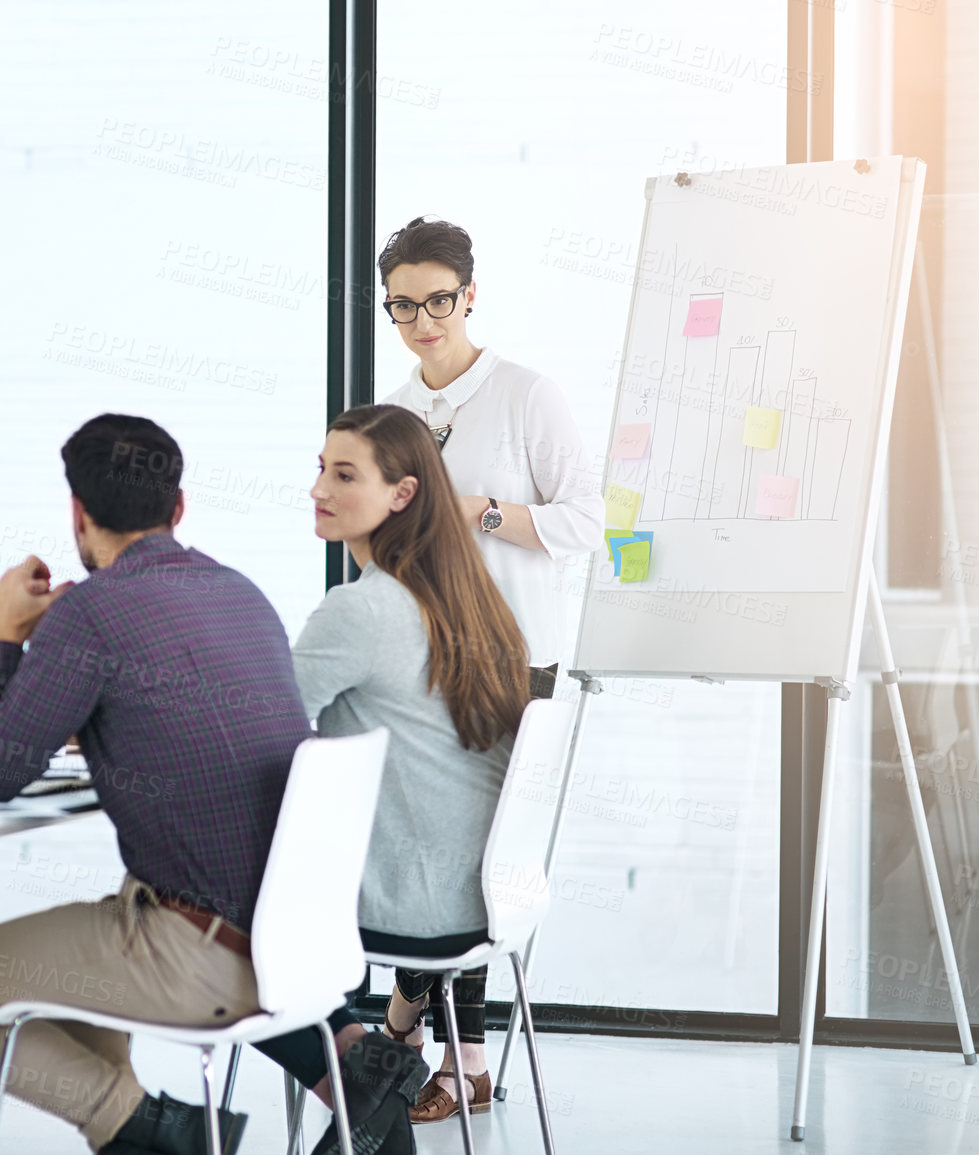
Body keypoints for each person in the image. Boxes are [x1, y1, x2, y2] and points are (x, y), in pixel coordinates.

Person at [0, 414, 312, 1155]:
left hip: (197, 955)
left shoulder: (91, 612)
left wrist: (5, 636)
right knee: (97, 930)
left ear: (77, 514)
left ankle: (151, 1129)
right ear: (178, 508)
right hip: (295, 944)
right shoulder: (242, 594)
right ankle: (138, 1127)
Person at [253, 405, 534, 1153]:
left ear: (402, 494)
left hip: (410, 902)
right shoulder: (471, 599)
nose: (318, 487)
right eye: (319, 466)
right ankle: (369, 1097)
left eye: (344, 474)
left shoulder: (363, 609)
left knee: (205, 927)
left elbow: (259, 733)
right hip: (480, 896)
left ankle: (363, 1073)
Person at [374, 218, 602, 1123]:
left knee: (476, 867)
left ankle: (425, 1050)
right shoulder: (393, 411)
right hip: (423, 662)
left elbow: (587, 522)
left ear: (469, 296)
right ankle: (451, 1059)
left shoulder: (524, 395)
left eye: (437, 300)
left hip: (512, 666)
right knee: (424, 860)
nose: (422, 319)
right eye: (402, 305)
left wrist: (480, 513)